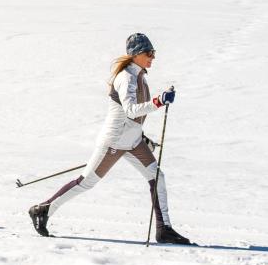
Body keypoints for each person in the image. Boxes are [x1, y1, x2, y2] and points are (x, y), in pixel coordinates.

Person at [28, 33, 191, 244]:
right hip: (114, 141)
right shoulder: (126, 78)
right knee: (86, 183)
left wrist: (144, 138)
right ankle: (43, 209)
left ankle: (164, 229)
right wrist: (159, 101)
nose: (153, 57)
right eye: (149, 53)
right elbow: (131, 110)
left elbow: (134, 117)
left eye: (154, 53)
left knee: (158, 177)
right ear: (136, 54)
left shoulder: (140, 76)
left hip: (133, 142)